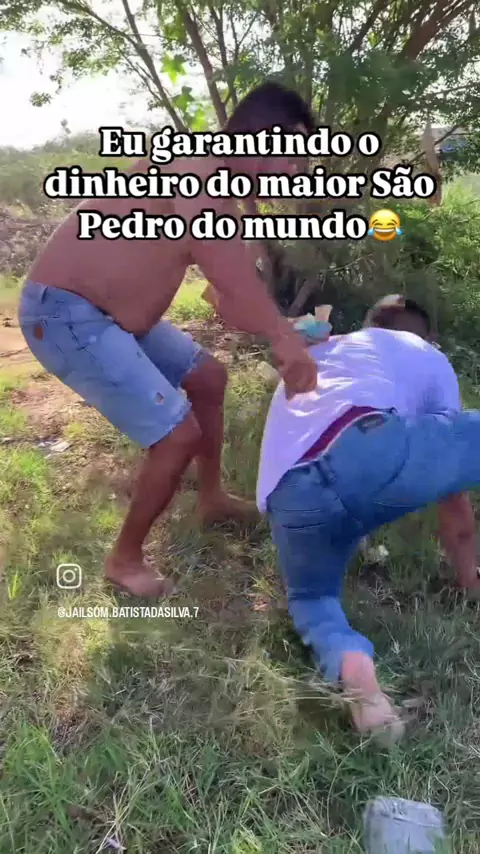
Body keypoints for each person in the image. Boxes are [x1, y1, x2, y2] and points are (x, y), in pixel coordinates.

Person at [18, 82, 318, 599]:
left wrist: (285, 330)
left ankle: (211, 499)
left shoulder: (226, 195)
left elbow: (225, 296)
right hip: (66, 312)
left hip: (111, 318)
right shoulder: (196, 168)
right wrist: (281, 334)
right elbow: (232, 281)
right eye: (291, 156)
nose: (296, 171)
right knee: (177, 435)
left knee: (209, 377)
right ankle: (124, 559)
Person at [257, 294, 480, 740]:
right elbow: (450, 492)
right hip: (362, 443)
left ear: (366, 325)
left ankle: (356, 673)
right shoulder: (427, 355)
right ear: (430, 339)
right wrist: (469, 581)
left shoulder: (329, 346)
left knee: (313, 601)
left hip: (287, 495)